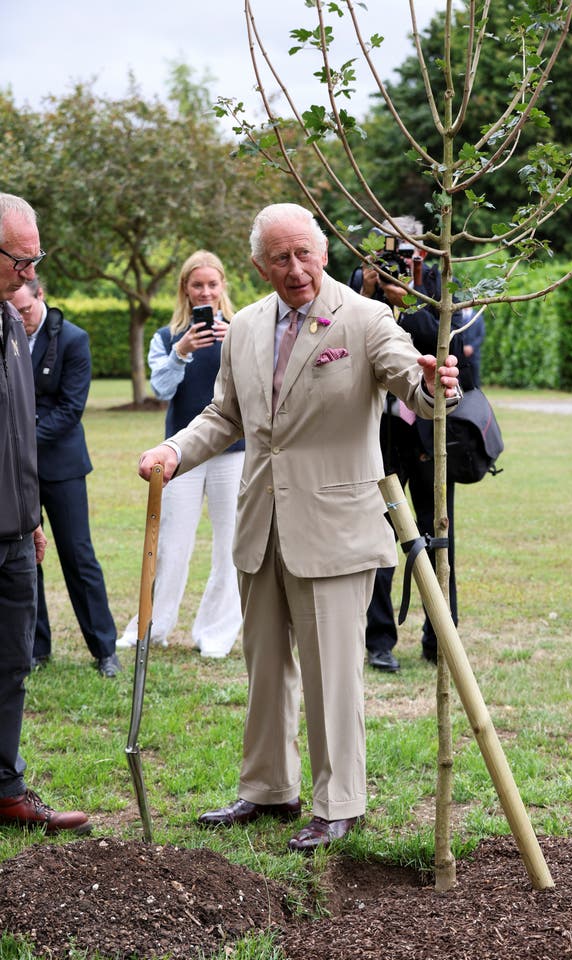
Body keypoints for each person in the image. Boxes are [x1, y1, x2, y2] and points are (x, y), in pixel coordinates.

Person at [136, 202, 461, 852]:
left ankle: (339, 801)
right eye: (279, 258)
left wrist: (435, 390)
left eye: (304, 254)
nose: (295, 269)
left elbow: (411, 382)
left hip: (336, 529)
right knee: (264, 667)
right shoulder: (247, 326)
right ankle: (267, 789)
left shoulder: (367, 320)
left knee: (331, 672)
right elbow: (222, 415)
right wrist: (174, 451)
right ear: (259, 264)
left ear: (323, 254)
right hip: (261, 525)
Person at [0, 192, 91, 834]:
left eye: (36, 259)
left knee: (10, 664)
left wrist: (31, 515)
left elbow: (18, 434)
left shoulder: (10, 323)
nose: (30, 273)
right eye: (21, 260)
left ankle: (5, 787)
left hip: (11, 531)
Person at [348, 217, 474, 671]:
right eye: (389, 250)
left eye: (407, 249)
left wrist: (413, 304)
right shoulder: (359, 289)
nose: (399, 260)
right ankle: (378, 639)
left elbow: (452, 355)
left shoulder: (438, 287)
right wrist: (370, 292)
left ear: (421, 249)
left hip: (428, 436)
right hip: (377, 435)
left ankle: (440, 638)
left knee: (438, 532)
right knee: (376, 535)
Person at [116, 251, 244, 656]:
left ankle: (216, 634)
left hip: (234, 451)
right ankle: (151, 626)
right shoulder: (166, 337)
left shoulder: (243, 330)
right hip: (180, 453)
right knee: (170, 542)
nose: (205, 291)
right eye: (196, 285)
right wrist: (182, 352)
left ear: (222, 285)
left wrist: (233, 347)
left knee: (231, 545)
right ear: (185, 290)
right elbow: (161, 390)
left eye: (212, 284)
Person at [11, 277, 122, 678]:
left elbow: (70, 409)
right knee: (23, 559)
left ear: (40, 296)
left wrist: (17, 438)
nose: (19, 317)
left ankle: (104, 648)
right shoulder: (6, 333)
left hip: (61, 467)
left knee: (78, 557)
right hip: (16, 471)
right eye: (12, 308)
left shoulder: (74, 339)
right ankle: (35, 649)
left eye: (24, 309)